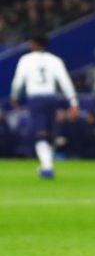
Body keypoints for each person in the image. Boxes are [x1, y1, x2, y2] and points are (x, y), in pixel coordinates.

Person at [10, 35, 79, 179]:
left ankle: (47, 167)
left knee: (39, 134)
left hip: (35, 99)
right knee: (49, 133)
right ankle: (46, 163)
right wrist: (73, 101)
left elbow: (18, 80)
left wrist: (14, 96)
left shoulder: (25, 60)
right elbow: (64, 81)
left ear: (33, 44)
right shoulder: (55, 60)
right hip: (50, 98)